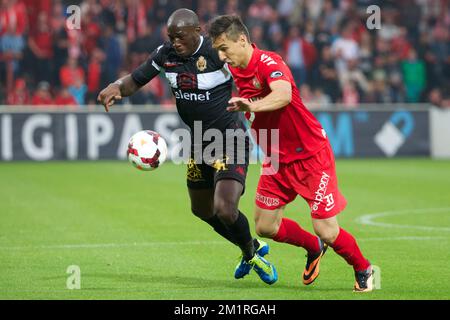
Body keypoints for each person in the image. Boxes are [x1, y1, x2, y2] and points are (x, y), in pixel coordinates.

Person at [97, 9, 277, 285]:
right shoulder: (165, 54)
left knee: (225, 209)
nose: (175, 42)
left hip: (229, 139)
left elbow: (251, 68)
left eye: (180, 36)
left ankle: (252, 254)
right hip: (199, 143)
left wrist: (265, 97)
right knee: (201, 210)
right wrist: (116, 87)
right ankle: (250, 246)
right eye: (171, 37)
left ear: (197, 32)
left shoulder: (218, 53)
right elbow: (137, 79)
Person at [209, 15, 374, 292]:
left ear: (242, 40)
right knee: (264, 227)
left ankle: (363, 268)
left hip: (310, 155)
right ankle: (313, 247)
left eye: (225, 48)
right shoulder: (236, 68)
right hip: (275, 159)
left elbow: (283, 95)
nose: (222, 56)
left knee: (327, 230)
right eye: (218, 51)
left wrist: (250, 105)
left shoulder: (269, 62)